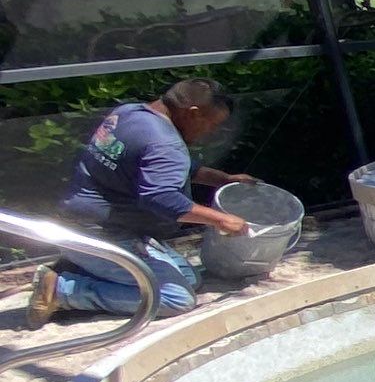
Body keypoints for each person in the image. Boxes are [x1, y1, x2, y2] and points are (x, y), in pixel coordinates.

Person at [27, 79, 255, 323]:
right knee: (176, 298)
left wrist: (223, 179)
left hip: (75, 223)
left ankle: (80, 266)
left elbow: (154, 165)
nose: (211, 132)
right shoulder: (166, 145)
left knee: (190, 278)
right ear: (193, 113)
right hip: (102, 234)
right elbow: (161, 198)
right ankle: (62, 290)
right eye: (212, 124)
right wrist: (221, 219)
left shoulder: (129, 113)